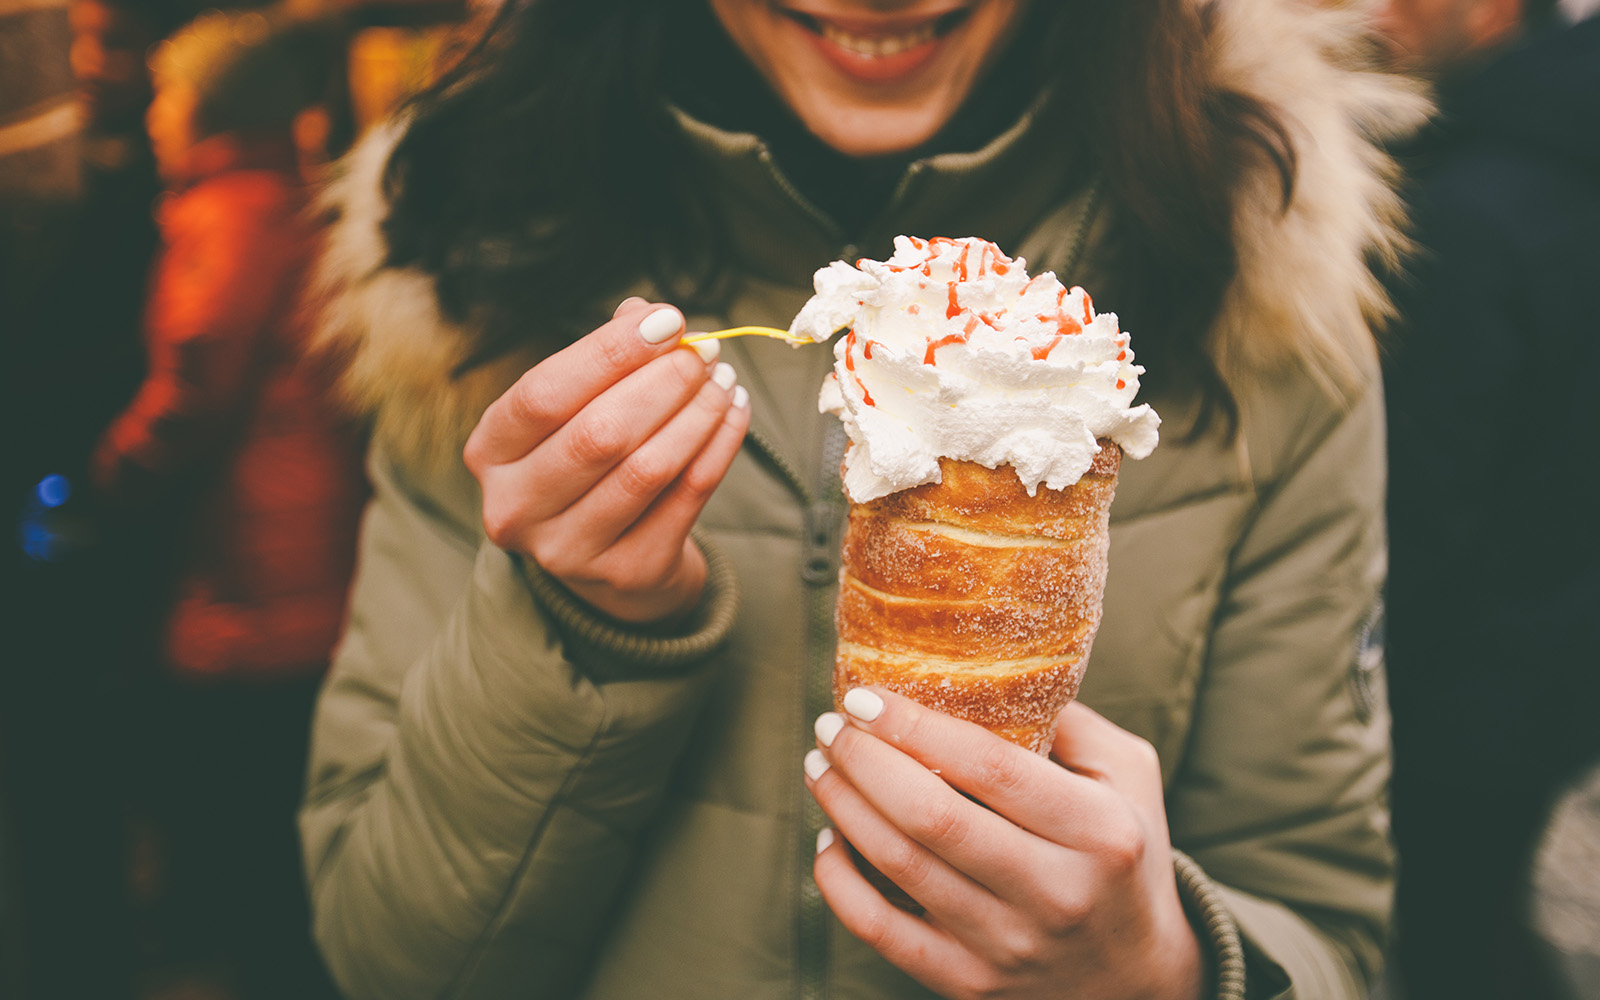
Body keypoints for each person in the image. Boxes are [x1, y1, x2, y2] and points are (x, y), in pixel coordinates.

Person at [302, 1, 1427, 997]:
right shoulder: (482, 263)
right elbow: (386, 958)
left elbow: (1327, 922)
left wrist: (1168, 972)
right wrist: (576, 631)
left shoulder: (1260, 286)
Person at [88, 10, 362, 998]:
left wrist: (106, 475)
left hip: (255, 556)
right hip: (309, 537)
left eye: (168, 96)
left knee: (249, 804)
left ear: (209, 109)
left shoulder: (227, 215)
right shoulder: (292, 197)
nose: (153, 114)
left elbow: (194, 381)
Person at [1373, 0, 1600, 997]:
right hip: (1559, 649)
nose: (1377, 13)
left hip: (1457, 687)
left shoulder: (1468, 209)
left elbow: (1419, 497)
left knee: (1444, 934)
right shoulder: (1562, 150)